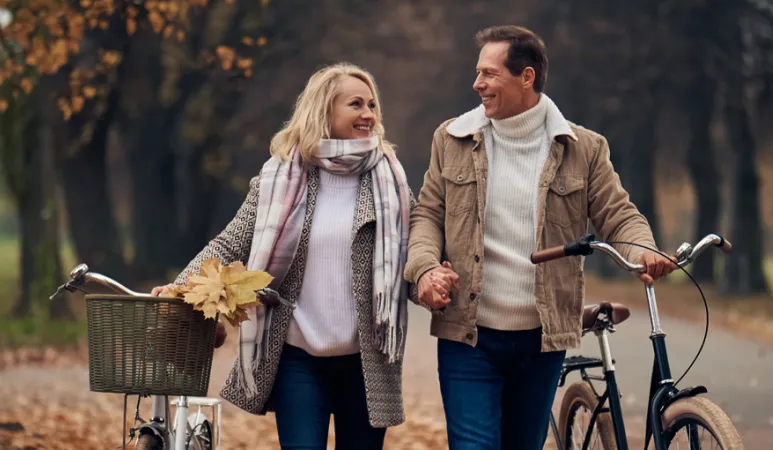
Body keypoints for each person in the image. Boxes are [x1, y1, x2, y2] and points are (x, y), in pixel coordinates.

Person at [403, 25, 676, 450]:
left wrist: (641, 249)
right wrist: (422, 269)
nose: (477, 84)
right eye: (478, 73)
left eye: (489, 74)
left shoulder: (583, 148)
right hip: (468, 336)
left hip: (542, 339)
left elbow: (618, 215)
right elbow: (427, 216)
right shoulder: (452, 138)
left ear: (526, 77)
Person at [152, 63, 414, 449]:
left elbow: (419, 241)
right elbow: (230, 244)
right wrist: (181, 287)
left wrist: (433, 273)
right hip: (297, 357)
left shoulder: (390, 182)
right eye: (355, 104)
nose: (368, 115)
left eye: (372, 105)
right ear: (324, 110)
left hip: (366, 361)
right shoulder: (280, 179)